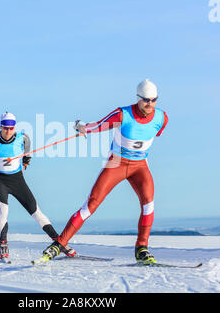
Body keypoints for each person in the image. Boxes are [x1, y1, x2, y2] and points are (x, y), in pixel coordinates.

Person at [40, 79, 168, 264]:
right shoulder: (122, 114)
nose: (149, 104)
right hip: (117, 164)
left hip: (140, 165)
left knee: (148, 203)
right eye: (146, 100)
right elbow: (100, 125)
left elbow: (155, 132)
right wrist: (83, 127)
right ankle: (59, 244)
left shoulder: (162, 118)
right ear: (138, 98)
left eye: (153, 100)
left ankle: (142, 248)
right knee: (92, 203)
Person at [0, 112, 76, 261]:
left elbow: (27, 146)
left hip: (17, 180)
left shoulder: (22, 137)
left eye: (11, 128)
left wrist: (27, 158)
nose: (8, 131)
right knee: (3, 212)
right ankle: (3, 244)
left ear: (14, 127)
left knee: (36, 212)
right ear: (1, 126)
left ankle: (60, 243)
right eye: (5, 128)